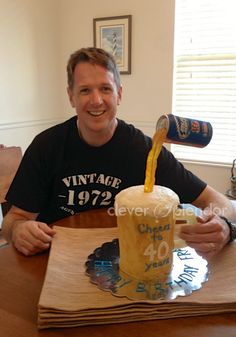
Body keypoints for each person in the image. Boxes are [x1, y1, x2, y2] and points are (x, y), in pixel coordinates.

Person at [2, 47, 235, 258]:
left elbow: (216, 201)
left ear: (119, 94)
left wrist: (223, 223)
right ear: (71, 96)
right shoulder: (46, 146)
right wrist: (20, 230)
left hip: (127, 260)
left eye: (105, 88)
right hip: (57, 262)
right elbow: (13, 220)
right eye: (85, 90)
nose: (96, 100)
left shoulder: (145, 151)